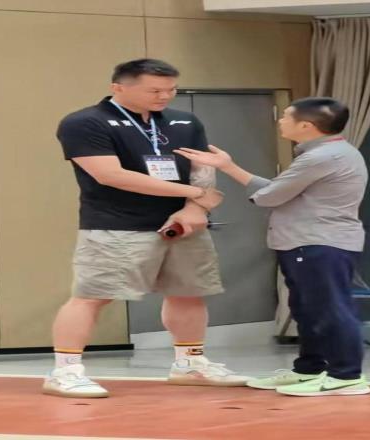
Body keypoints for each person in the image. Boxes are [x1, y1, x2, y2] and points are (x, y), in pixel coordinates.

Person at [42, 59, 248, 398]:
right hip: (118, 226)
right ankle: (65, 371)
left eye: (171, 89)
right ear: (118, 87)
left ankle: (190, 364)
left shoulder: (185, 121)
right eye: (154, 90)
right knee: (92, 296)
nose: (164, 96)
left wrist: (194, 208)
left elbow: (203, 166)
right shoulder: (85, 122)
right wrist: (195, 194)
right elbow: (110, 175)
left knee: (188, 292)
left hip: (183, 224)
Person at [175, 97, 370, 397]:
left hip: (319, 242)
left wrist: (226, 172)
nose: (281, 120)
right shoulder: (328, 152)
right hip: (308, 242)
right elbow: (279, 190)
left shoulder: (321, 157)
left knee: (329, 309)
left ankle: (346, 375)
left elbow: (270, 196)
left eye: (286, 116)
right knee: (307, 310)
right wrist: (228, 166)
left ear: (306, 126)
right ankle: (308, 370)